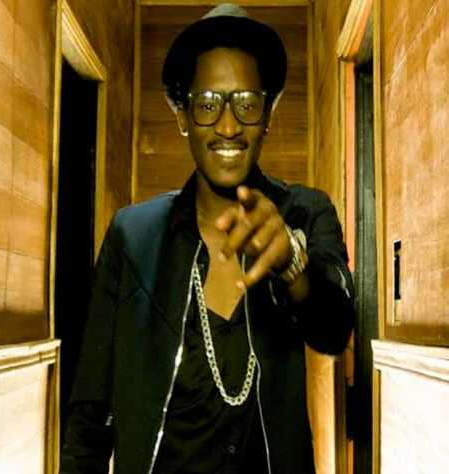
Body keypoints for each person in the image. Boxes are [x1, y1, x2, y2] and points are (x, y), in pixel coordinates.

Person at [59, 4, 355, 474]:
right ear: (183, 116)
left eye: (246, 103)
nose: (229, 126)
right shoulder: (132, 236)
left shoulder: (305, 210)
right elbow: (90, 414)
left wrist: (293, 265)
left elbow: (335, 330)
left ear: (267, 115)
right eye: (208, 104)